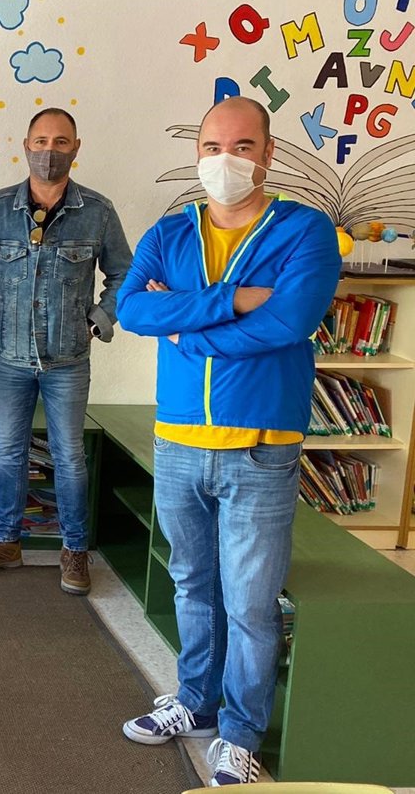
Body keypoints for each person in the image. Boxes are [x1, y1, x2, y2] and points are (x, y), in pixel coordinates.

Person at [116, 96, 341, 785]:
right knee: (192, 584)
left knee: (249, 602)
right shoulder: (170, 231)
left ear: (268, 153)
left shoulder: (305, 231)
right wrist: (234, 299)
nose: (225, 160)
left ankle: (240, 734)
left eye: (242, 147)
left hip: (261, 447)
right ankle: (195, 702)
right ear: (198, 155)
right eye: (212, 147)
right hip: (179, 441)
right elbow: (132, 308)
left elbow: (290, 321)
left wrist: (184, 329)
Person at [0, 108, 132, 595]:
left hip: (67, 361)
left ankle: (74, 550)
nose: (49, 151)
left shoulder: (98, 211)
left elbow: (125, 275)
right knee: (9, 453)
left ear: (76, 148)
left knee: (69, 456)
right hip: (8, 359)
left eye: (60, 142)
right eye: (40, 141)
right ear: (25, 146)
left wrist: (99, 321)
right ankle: (5, 542)